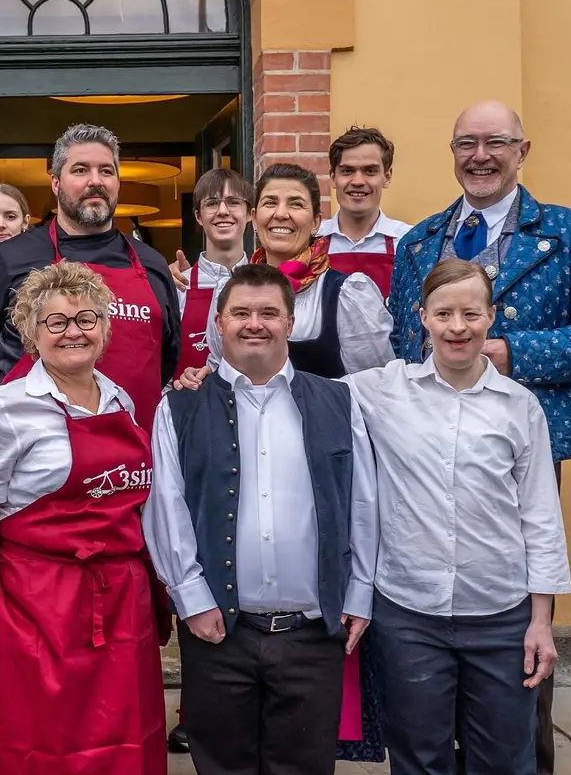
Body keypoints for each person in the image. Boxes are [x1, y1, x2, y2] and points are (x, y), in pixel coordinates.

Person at [387, 101, 571, 774]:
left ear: (522, 150)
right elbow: (398, 345)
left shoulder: (569, 234)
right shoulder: (418, 243)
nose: (480, 155)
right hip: (425, 448)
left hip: (527, 446)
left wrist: (510, 353)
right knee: (424, 692)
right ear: (451, 152)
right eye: (466, 143)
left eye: (495, 142)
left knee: (520, 648)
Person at [143, 264, 377, 775]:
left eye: (269, 312)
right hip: (219, 629)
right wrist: (192, 599)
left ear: (290, 323)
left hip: (314, 632)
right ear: (219, 323)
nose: (256, 324)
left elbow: (361, 501)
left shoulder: (339, 400)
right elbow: (167, 505)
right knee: (223, 766)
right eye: (242, 313)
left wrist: (358, 594)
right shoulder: (180, 405)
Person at [351, 258, 571, 775]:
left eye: (471, 313)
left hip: (500, 615)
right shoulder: (383, 390)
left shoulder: (520, 407)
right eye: (443, 313)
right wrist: (206, 374)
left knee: (503, 759)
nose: (457, 327)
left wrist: (541, 621)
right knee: (418, 757)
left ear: (491, 317)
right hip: (409, 614)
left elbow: (541, 517)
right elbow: (296, 389)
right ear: (421, 317)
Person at [0, 261, 170, 775]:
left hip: (123, 599)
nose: (73, 332)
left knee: (128, 737)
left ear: (104, 328)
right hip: (41, 603)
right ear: (32, 332)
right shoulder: (5, 409)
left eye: (86, 319)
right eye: (56, 322)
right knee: (44, 741)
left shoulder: (120, 399)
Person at [0, 123, 181, 430]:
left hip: (134, 455)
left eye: (106, 171)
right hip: (36, 451)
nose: (95, 181)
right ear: (56, 183)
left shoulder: (152, 264)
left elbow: (167, 361)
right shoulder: (10, 258)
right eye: (81, 170)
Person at [201, 163, 395, 378]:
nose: (281, 213)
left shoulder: (346, 294)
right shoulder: (227, 291)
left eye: (296, 204)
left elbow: (375, 384)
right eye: (270, 202)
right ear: (255, 218)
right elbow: (219, 367)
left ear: (316, 222)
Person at [167, 168, 252, 380]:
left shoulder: (266, 287)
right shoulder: (177, 286)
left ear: (250, 214)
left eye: (233, 202)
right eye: (212, 203)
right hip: (189, 407)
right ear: (198, 216)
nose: (223, 211)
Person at [315, 127, 413, 296]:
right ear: (332, 177)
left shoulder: (409, 242)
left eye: (370, 171)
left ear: (387, 177)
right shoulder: (312, 242)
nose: (358, 181)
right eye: (347, 171)